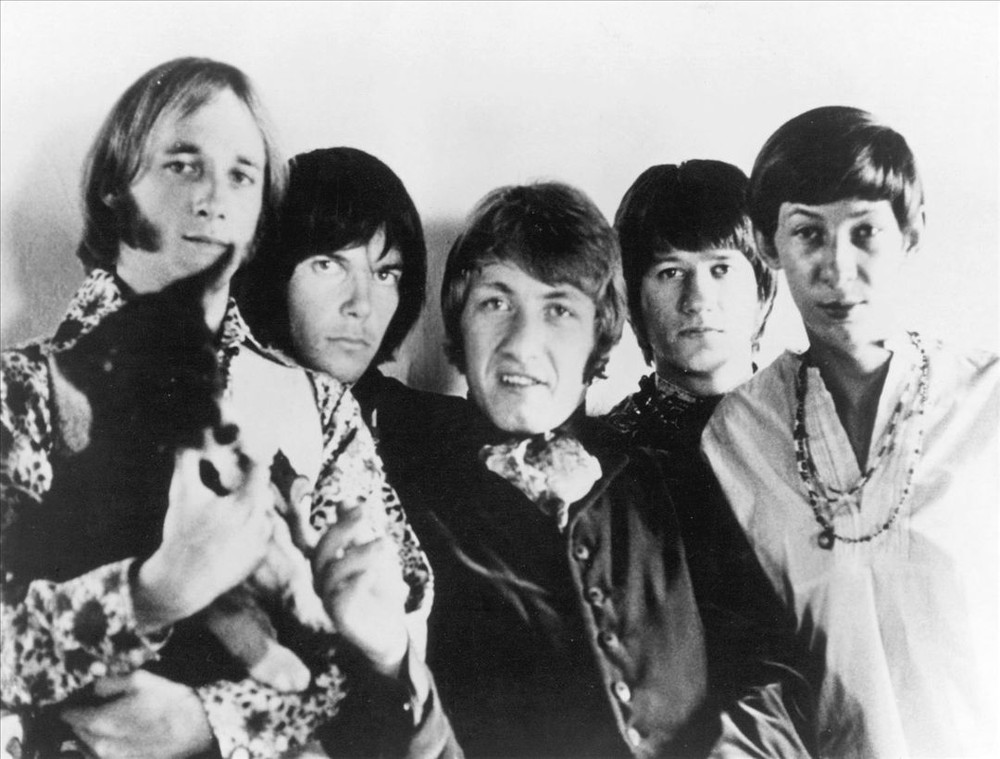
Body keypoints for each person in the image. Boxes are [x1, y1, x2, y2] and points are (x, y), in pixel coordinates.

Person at [0, 59, 431, 759]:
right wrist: (147, 596)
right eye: (182, 165)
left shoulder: (321, 406)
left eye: (241, 175)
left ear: (262, 213)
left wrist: (207, 722)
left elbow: (391, 656)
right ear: (114, 188)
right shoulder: (21, 392)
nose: (213, 198)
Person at [355, 182, 812, 757]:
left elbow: (775, 675)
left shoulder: (675, 481)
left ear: (600, 337)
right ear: (458, 329)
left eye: (559, 310)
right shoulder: (401, 483)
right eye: (495, 304)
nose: (523, 343)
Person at [701, 106, 999, 756]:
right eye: (808, 234)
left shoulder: (989, 402)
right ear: (768, 247)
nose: (837, 268)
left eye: (865, 232)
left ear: (911, 234)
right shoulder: (739, 435)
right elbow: (756, 666)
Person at [239, 145, 461, 757]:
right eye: (328, 264)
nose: (361, 303)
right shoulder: (222, 409)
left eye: (386, 273)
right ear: (272, 270)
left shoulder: (448, 437)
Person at [605, 160, 776, 459]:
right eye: (671, 272)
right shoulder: (602, 453)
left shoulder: (816, 433)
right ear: (631, 303)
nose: (697, 300)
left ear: (762, 294)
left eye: (722, 268)